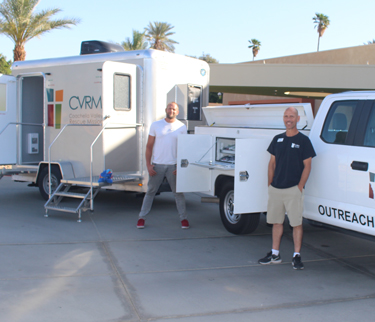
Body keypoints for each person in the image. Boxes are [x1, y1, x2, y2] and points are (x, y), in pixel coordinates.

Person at [258, 106, 316, 270]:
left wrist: (299, 187)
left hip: (293, 190)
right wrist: (270, 185)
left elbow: (308, 166)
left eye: (291, 116)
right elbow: (272, 164)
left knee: (296, 223)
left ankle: (296, 256)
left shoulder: (304, 141)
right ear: (283, 119)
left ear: (298, 119)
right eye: (286, 116)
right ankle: (275, 254)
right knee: (276, 222)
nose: (288, 119)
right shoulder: (277, 139)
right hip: (276, 189)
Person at [137, 102, 189, 229]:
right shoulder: (156, 125)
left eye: (174, 109)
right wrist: (149, 165)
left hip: (173, 167)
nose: (171, 110)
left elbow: (185, 148)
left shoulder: (182, 127)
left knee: (178, 193)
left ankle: (184, 219)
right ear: (166, 109)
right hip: (157, 166)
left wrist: (180, 167)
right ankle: (141, 218)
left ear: (177, 112)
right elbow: (149, 146)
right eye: (170, 108)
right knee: (150, 192)